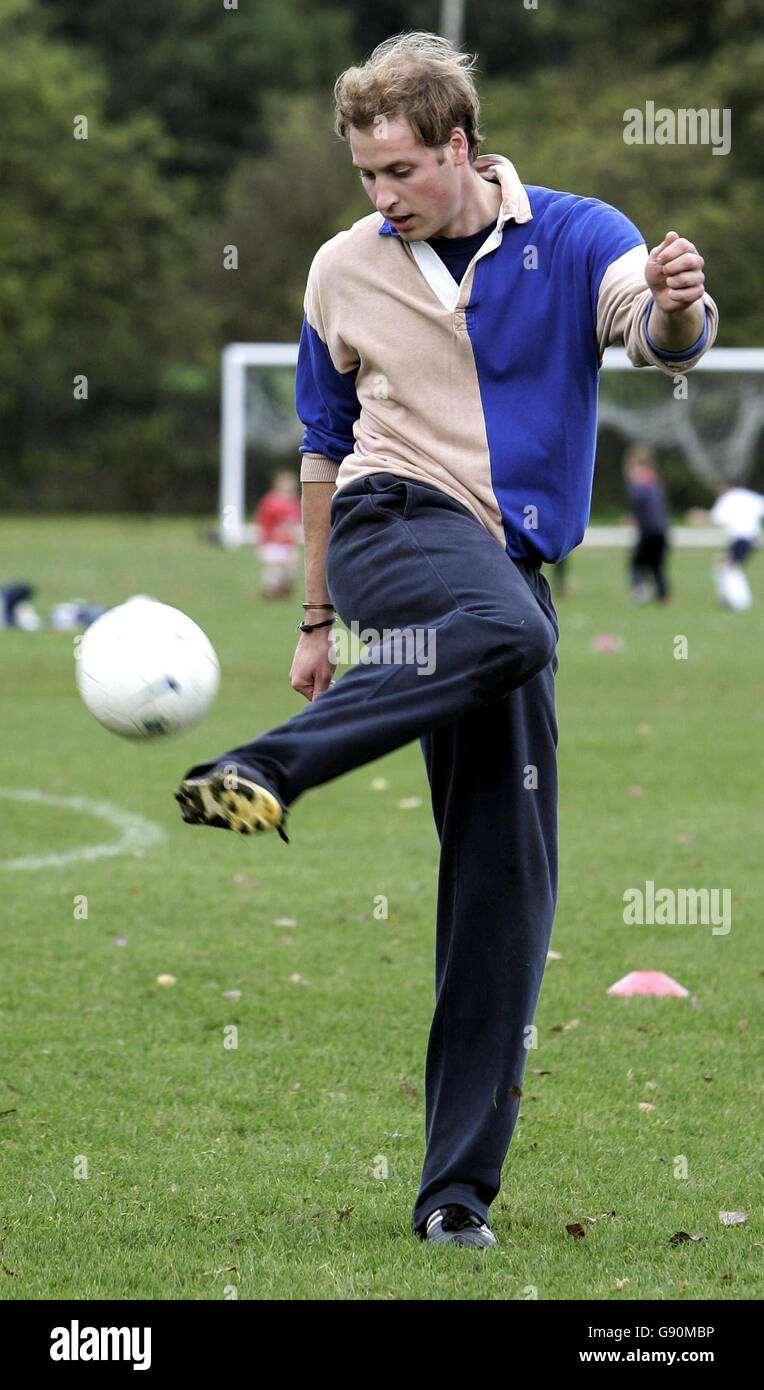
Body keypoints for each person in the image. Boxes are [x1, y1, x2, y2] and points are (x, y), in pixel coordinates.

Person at [174, 31, 718, 1247]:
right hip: (389, 522)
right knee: (504, 627)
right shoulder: (338, 270)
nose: (380, 199)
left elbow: (649, 329)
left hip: (503, 587)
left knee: (506, 880)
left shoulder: (576, 233)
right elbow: (321, 446)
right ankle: (270, 763)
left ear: (459, 147)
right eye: (364, 176)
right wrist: (316, 618)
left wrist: (682, 308)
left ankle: (453, 1195)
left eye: (400, 173)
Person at [623, 443, 670, 602]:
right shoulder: (654, 479)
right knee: (657, 565)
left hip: (649, 530)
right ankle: (663, 597)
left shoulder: (639, 481)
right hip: (661, 528)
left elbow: (638, 499)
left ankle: (641, 589)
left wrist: (633, 516)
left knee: (636, 564)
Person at [709, 481, 764, 609]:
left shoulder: (727, 499)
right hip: (750, 538)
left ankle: (741, 601)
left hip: (742, 538)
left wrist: (700, 516)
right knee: (723, 564)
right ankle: (728, 597)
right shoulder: (749, 496)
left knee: (729, 567)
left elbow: (717, 518)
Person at [254, 469, 303, 599]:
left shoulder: (294, 502)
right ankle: (269, 591)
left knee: (291, 568)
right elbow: (263, 522)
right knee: (275, 568)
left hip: (288, 542)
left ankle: (285, 591)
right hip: (273, 541)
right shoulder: (270, 502)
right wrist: (261, 539)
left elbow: (296, 521)